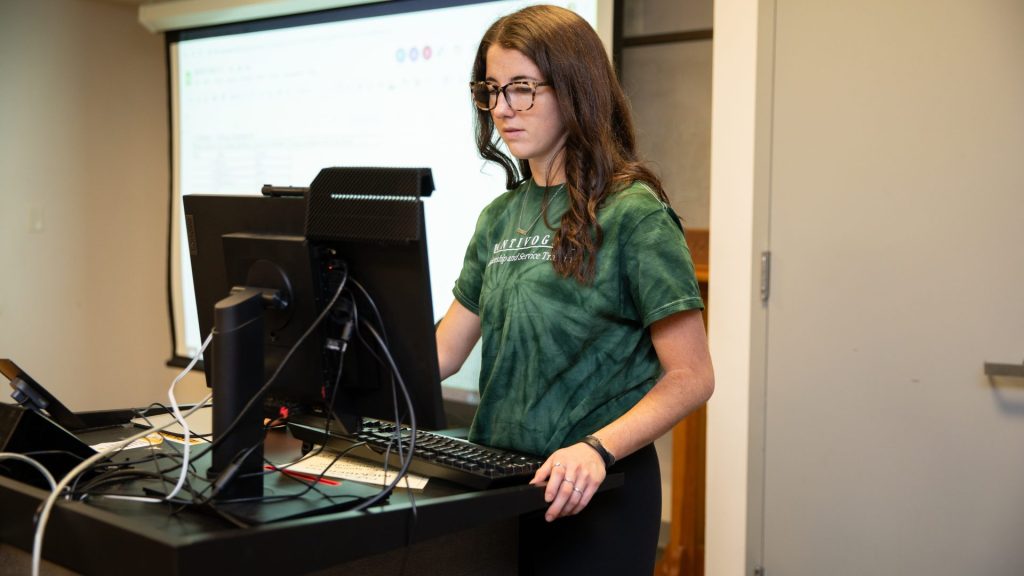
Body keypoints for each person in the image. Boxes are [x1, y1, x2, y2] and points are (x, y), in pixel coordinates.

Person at [434, 4, 714, 574]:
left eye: (522, 89)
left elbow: (692, 376)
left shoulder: (633, 212)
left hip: (598, 488)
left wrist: (595, 449)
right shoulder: (498, 217)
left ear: (574, 88)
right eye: (491, 90)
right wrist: (331, 375)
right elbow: (445, 351)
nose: (503, 109)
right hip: (506, 486)